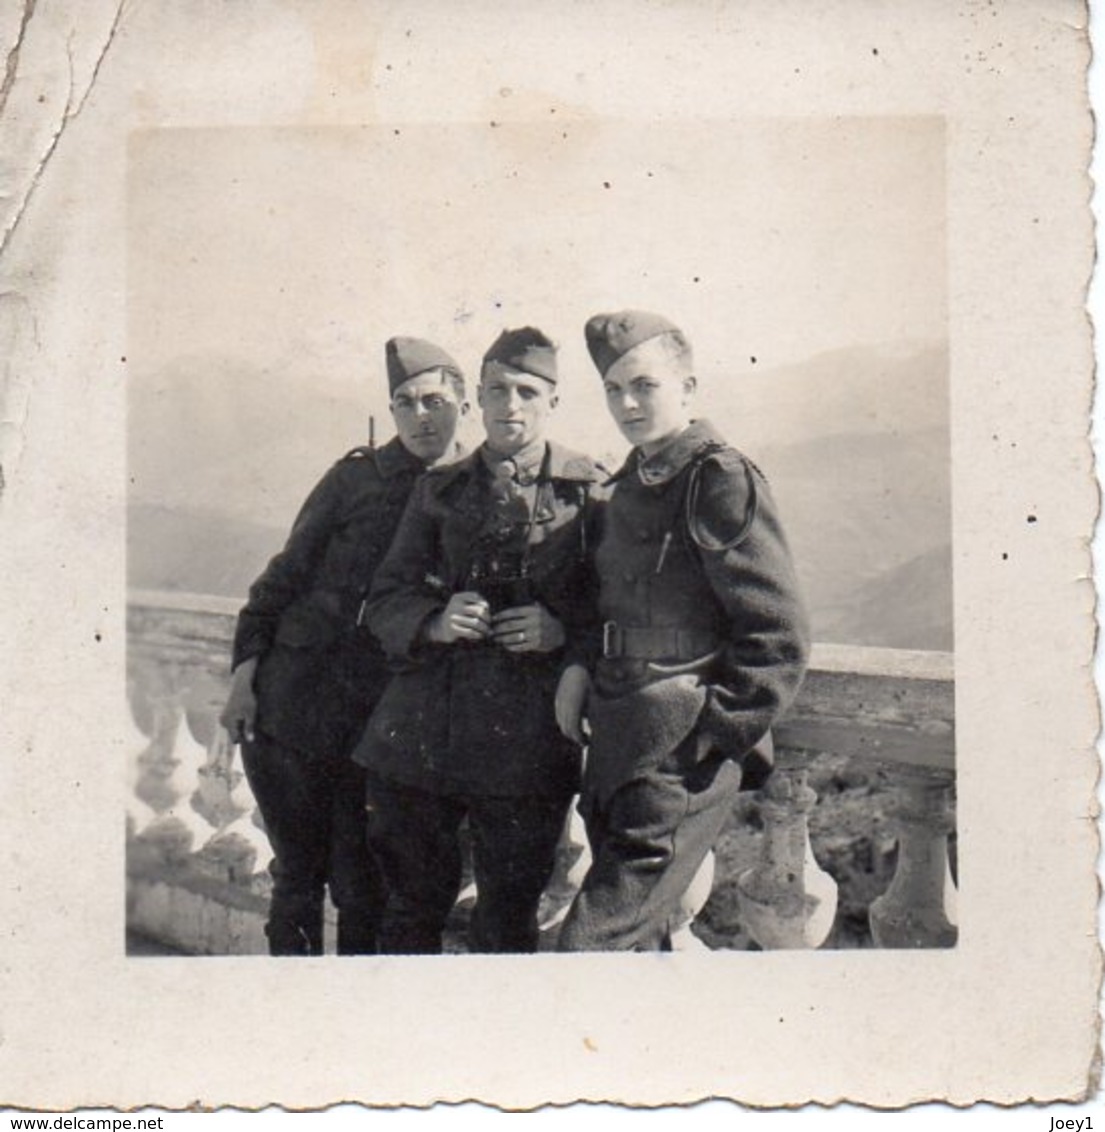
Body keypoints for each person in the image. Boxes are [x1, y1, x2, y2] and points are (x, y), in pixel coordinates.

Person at [555, 309, 810, 952]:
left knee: (585, 952)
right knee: (634, 954)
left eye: (644, 385)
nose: (627, 403)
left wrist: (707, 742)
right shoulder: (627, 485)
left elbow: (777, 635)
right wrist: (581, 666)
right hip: (615, 744)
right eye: (614, 389)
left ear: (688, 389)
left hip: (674, 756)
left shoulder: (716, 477)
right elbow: (603, 604)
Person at [354, 326, 606, 954]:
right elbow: (383, 600)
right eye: (497, 389)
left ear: (552, 401)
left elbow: (615, 612)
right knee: (410, 911)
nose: (510, 405)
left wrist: (559, 632)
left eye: (526, 391)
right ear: (478, 400)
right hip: (420, 738)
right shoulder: (435, 491)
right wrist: (434, 620)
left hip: (525, 746)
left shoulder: (591, 493)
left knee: (507, 916)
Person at [218, 337, 469, 955]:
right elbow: (279, 581)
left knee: (365, 890)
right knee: (298, 878)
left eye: (435, 400)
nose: (421, 416)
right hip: (293, 713)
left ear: (464, 401)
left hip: (382, 732)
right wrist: (241, 678)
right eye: (405, 403)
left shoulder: (473, 490)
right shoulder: (354, 479)